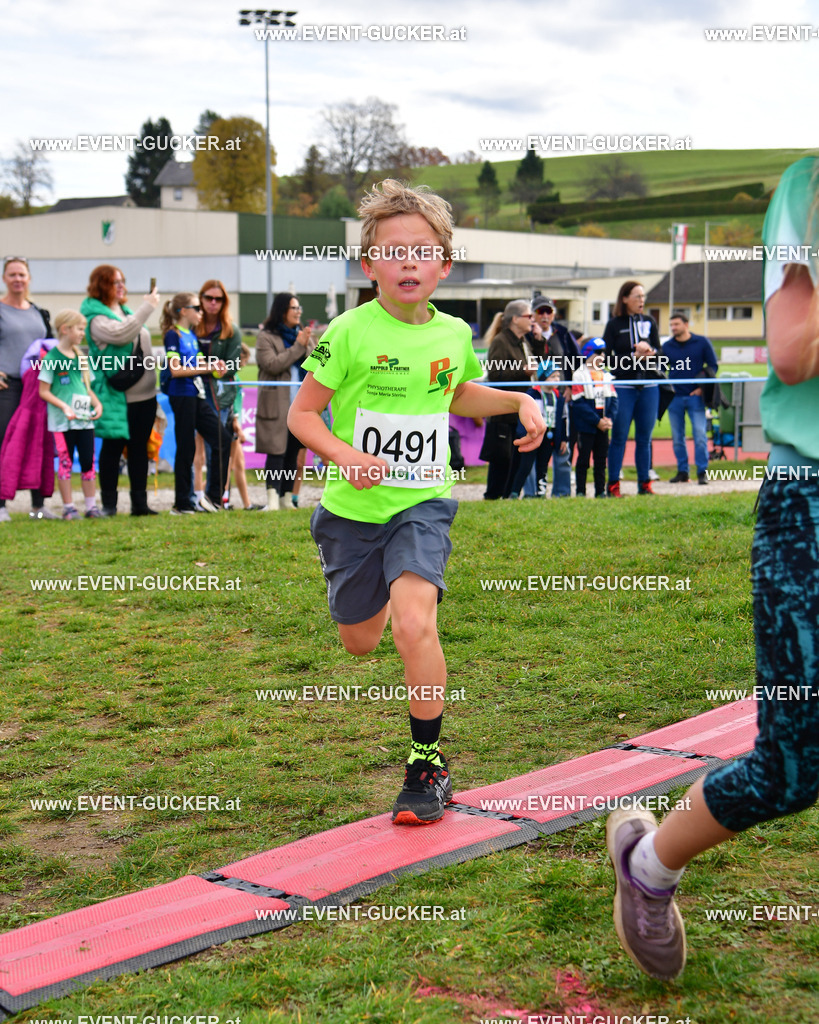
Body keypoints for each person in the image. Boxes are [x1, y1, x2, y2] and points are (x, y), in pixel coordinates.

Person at [605, 155, 819, 981]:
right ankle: (649, 865)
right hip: (809, 502)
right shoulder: (808, 189)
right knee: (793, 766)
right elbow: (792, 353)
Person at [288, 179, 544, 825]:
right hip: (352, 509)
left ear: (443, 265)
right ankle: (365, 585)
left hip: (423, 500)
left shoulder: (453, 333)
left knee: (414, 625)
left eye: (422, 251)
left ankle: (425, 764)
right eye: (393, 251)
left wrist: (516, 399)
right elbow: (302, 414)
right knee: (359, 641)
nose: (408, 262)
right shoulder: (348, 331)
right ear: (368, 265)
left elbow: (456, 394)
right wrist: (345, 455)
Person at [80, 265, 160, 516]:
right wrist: (147, 307)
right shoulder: (95, 317)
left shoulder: (124, 311)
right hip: (118, 396)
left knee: (139, 449)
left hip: (145, 396)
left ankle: (140, 504)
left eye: (122, 281)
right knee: (113, 449)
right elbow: (121, 335)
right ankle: (109, 505)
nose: (121, 286)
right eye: (115, 282)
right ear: (101, 285)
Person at [160, 292, 233, 515]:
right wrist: (208, 367)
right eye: (196, 308)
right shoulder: (173, 335)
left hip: (196, 394)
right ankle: (182, 503)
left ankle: (212, 498)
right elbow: (175, 370)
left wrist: (216, 366)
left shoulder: (191, 335)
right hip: (181, 395)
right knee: (186, 447)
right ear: (183, 311)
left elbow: (201, 365)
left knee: (222, 438)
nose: (201, 312)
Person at [0, 257, 55, 520]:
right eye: (12, 275)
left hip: (37, 385)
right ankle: (1, 505)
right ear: (4, 278)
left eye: (21, 274)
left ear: (29, 278)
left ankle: (38, 506)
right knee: (5, 442)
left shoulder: (40, 313)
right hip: (8, 386)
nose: (17, 279)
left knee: (39, 441)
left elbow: (52, 347)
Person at [38, 310, 103, 519]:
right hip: (62, 423)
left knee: (88, 462)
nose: (83, 333)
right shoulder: (52, 358)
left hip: (84, 422)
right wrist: (64, 407)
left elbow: (86, 388)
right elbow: (44, 391)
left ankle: (91, 507)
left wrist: (97, 404)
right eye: (80, 329)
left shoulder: (81, 357)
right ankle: (68, 507)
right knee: (65, 464)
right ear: (65, 329)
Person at [256, 293, 315, 511]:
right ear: (282, 310)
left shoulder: (303, 336)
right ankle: (272, 500)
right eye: (294, 308)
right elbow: (272, 364)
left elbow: (317, 363)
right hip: (276, 404)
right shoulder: (266, 337)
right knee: (276, 451)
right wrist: (298, 346)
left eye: (299, 308)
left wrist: (307, 344)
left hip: (299, 405)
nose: (299, 312)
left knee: (292, 452)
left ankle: (286, 498)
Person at [603, 281, 662, 496]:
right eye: (637, 296)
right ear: (625, 298)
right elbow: (606, 358)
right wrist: (632, 357)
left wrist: (651, 353)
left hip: (649, 386)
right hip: (624, 386)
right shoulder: (614, 324)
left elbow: (660, 353)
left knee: (645, 438)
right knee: (619, 436)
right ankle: (613, 485)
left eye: (643, 296)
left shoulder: (649, 321)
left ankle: (644, 484)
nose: (641, 301)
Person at [192, 280, 243, 509]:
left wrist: (212, 368)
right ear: (201, 299)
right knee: (193, 451)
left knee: (217, 447)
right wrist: (209, 367)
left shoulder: (231, 330)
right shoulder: (192, 326)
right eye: (209, 298)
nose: (213, 303)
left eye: (218, 299)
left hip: (219, 398)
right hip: (192, 393)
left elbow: (233, 365)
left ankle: (216, 498)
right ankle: (190, 497)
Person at [482, 299, 536, 500]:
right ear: (515, 319)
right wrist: (522, 371)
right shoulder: (501, 341)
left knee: (516, 458)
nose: (532, 320)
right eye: (529, 316)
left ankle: (508, 497)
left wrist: (539, 341)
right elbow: (495, 374)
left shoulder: (524, 341)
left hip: (517, 410)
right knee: (501, 459)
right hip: (503, 412)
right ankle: (493, 497)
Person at [663, 312, 719, 485]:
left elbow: (713, 365)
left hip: (696, 397)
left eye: (676, 324)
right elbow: (661, 369)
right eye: (671, 325)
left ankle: (702, 472)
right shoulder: (667, 346)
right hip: (675, 398)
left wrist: (702, 388)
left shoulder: (702, 342)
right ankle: (683, 471)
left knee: (700, 435)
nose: (673, 328)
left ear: (686, 324)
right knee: (677, 437)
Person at [508, 359, 568, 499]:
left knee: (543, 465)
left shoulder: (558, 396)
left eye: (558, 376)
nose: (557, 379)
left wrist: (563, 438)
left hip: (549, 435)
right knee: (526, 465)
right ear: (543, 377)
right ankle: (515, 492)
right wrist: (525, 433)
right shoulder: (532, 394)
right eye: (552, 376)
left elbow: (563, 419)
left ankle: (541, 493)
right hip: (533, 434)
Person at [571, 338, 618, 498]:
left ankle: (600, 491)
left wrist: (609, 419)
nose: (602, 356)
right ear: (588, 353)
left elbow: (614, 400)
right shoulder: (579, 375)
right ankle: (580, 491)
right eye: (598, 352)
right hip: (587, 425)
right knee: (583, 460)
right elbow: (578, 403)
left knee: (601, 460)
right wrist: (596, 421)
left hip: (603, 424)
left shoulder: (606, 375)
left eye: (604, 352)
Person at [225, 343, 263, 510]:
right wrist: (237, 426)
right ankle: (216, 497)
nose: (245, 365)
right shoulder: (231, 377)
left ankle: (246, 503)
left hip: (235, 424)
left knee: (238, 465)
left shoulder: (235, 377)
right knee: (227, 466)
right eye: (245, 361)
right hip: (232, 425)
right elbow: (231, 404)